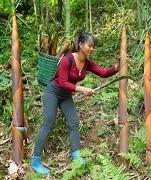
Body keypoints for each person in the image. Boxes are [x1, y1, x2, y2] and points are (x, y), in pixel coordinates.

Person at [31, 32, 119, 174]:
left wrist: (117, 67)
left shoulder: (87, 63)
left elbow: (103, 73)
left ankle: (76, 155)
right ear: (81, 44)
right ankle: (35, 161)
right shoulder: (67, 59)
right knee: (48, 123)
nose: (92, 49)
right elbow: (62, 82)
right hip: (53, 92)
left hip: (66, 95)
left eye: (94, 47)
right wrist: (81, 89)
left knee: (74, 123)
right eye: (90, 46)